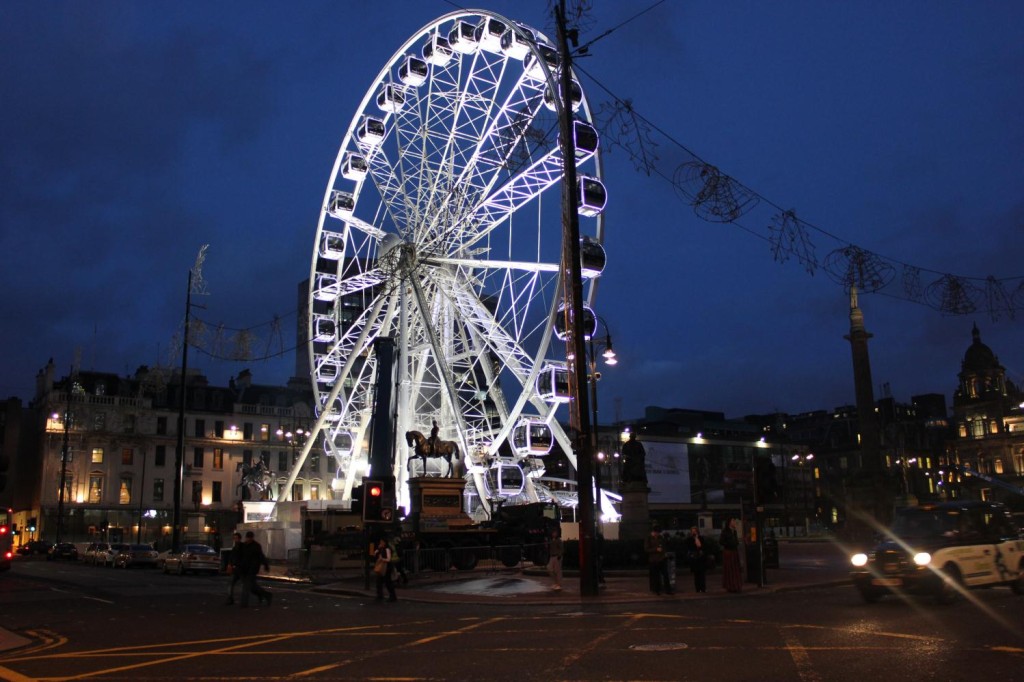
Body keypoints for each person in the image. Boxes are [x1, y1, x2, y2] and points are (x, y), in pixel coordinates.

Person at [237, 531, 272, 608]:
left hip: (252, 569)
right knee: (252, 587)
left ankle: (244, 603)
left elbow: (261, 556)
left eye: (250, 538)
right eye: (248, 537)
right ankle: (266, 595)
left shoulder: (256, 546)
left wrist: (265, 565)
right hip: (244, 569)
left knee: (246, 586)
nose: (249, 539)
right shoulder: (244, 546)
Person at [644, 525, 672, 595]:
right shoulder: (649, 538)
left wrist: (664, 553)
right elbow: (646, 549)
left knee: (665, 575)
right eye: (657, 532)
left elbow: (664, 546)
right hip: (653, 560)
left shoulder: (661, 537)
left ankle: (668, 590)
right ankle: (656, 590)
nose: (658, 534)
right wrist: (656, 549)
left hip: (661, 559)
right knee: (656, 576)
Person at [720, 518, 742, 593]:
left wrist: (736, 543)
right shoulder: (725, 531)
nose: (734, 522)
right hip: (728, 551)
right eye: (733, 521)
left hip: (734, 551)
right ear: (729, 523)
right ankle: (730, 586)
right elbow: (721, 541)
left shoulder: (734, 531)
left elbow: (736, 540)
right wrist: (729, 544)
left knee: (735, 569)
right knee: (729, 569)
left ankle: (735, 585)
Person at [684, 526, 707, 593]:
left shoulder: (701, 538)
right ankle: (697, 589)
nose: (694, 533)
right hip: (694, 558)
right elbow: (688, 548)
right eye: (692, 531)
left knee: (702, 574)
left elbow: (702, 547)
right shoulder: (689, 539)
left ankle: (703, 589)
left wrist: (697, 539)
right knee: (696, 575)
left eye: (695, 531)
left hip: (701, 558)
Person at [374, 537, 397, 602]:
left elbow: (389, 559)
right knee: (378, 582)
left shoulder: (387, 549)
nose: (381, 543)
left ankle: (393, 596)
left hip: (387, 567)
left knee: (388, 582)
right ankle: (380, 595)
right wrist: (378, 549)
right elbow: (374, 554)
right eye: (380, 542)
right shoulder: (381, 549)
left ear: (385, 542)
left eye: (382, 542)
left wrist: (382, 559)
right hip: (382, 567)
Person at [224, 532, 243, 605]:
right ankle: (230, 598)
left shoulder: (241, 547)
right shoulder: (235, 547)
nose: (235, 540)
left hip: (240, 569)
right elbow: (232, 557)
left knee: (240, 584)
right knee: (231, 584)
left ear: (239, 538)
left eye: (236, 538)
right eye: (234, 538)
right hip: (235, 569)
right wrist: (230, 564)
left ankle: (234, 598)